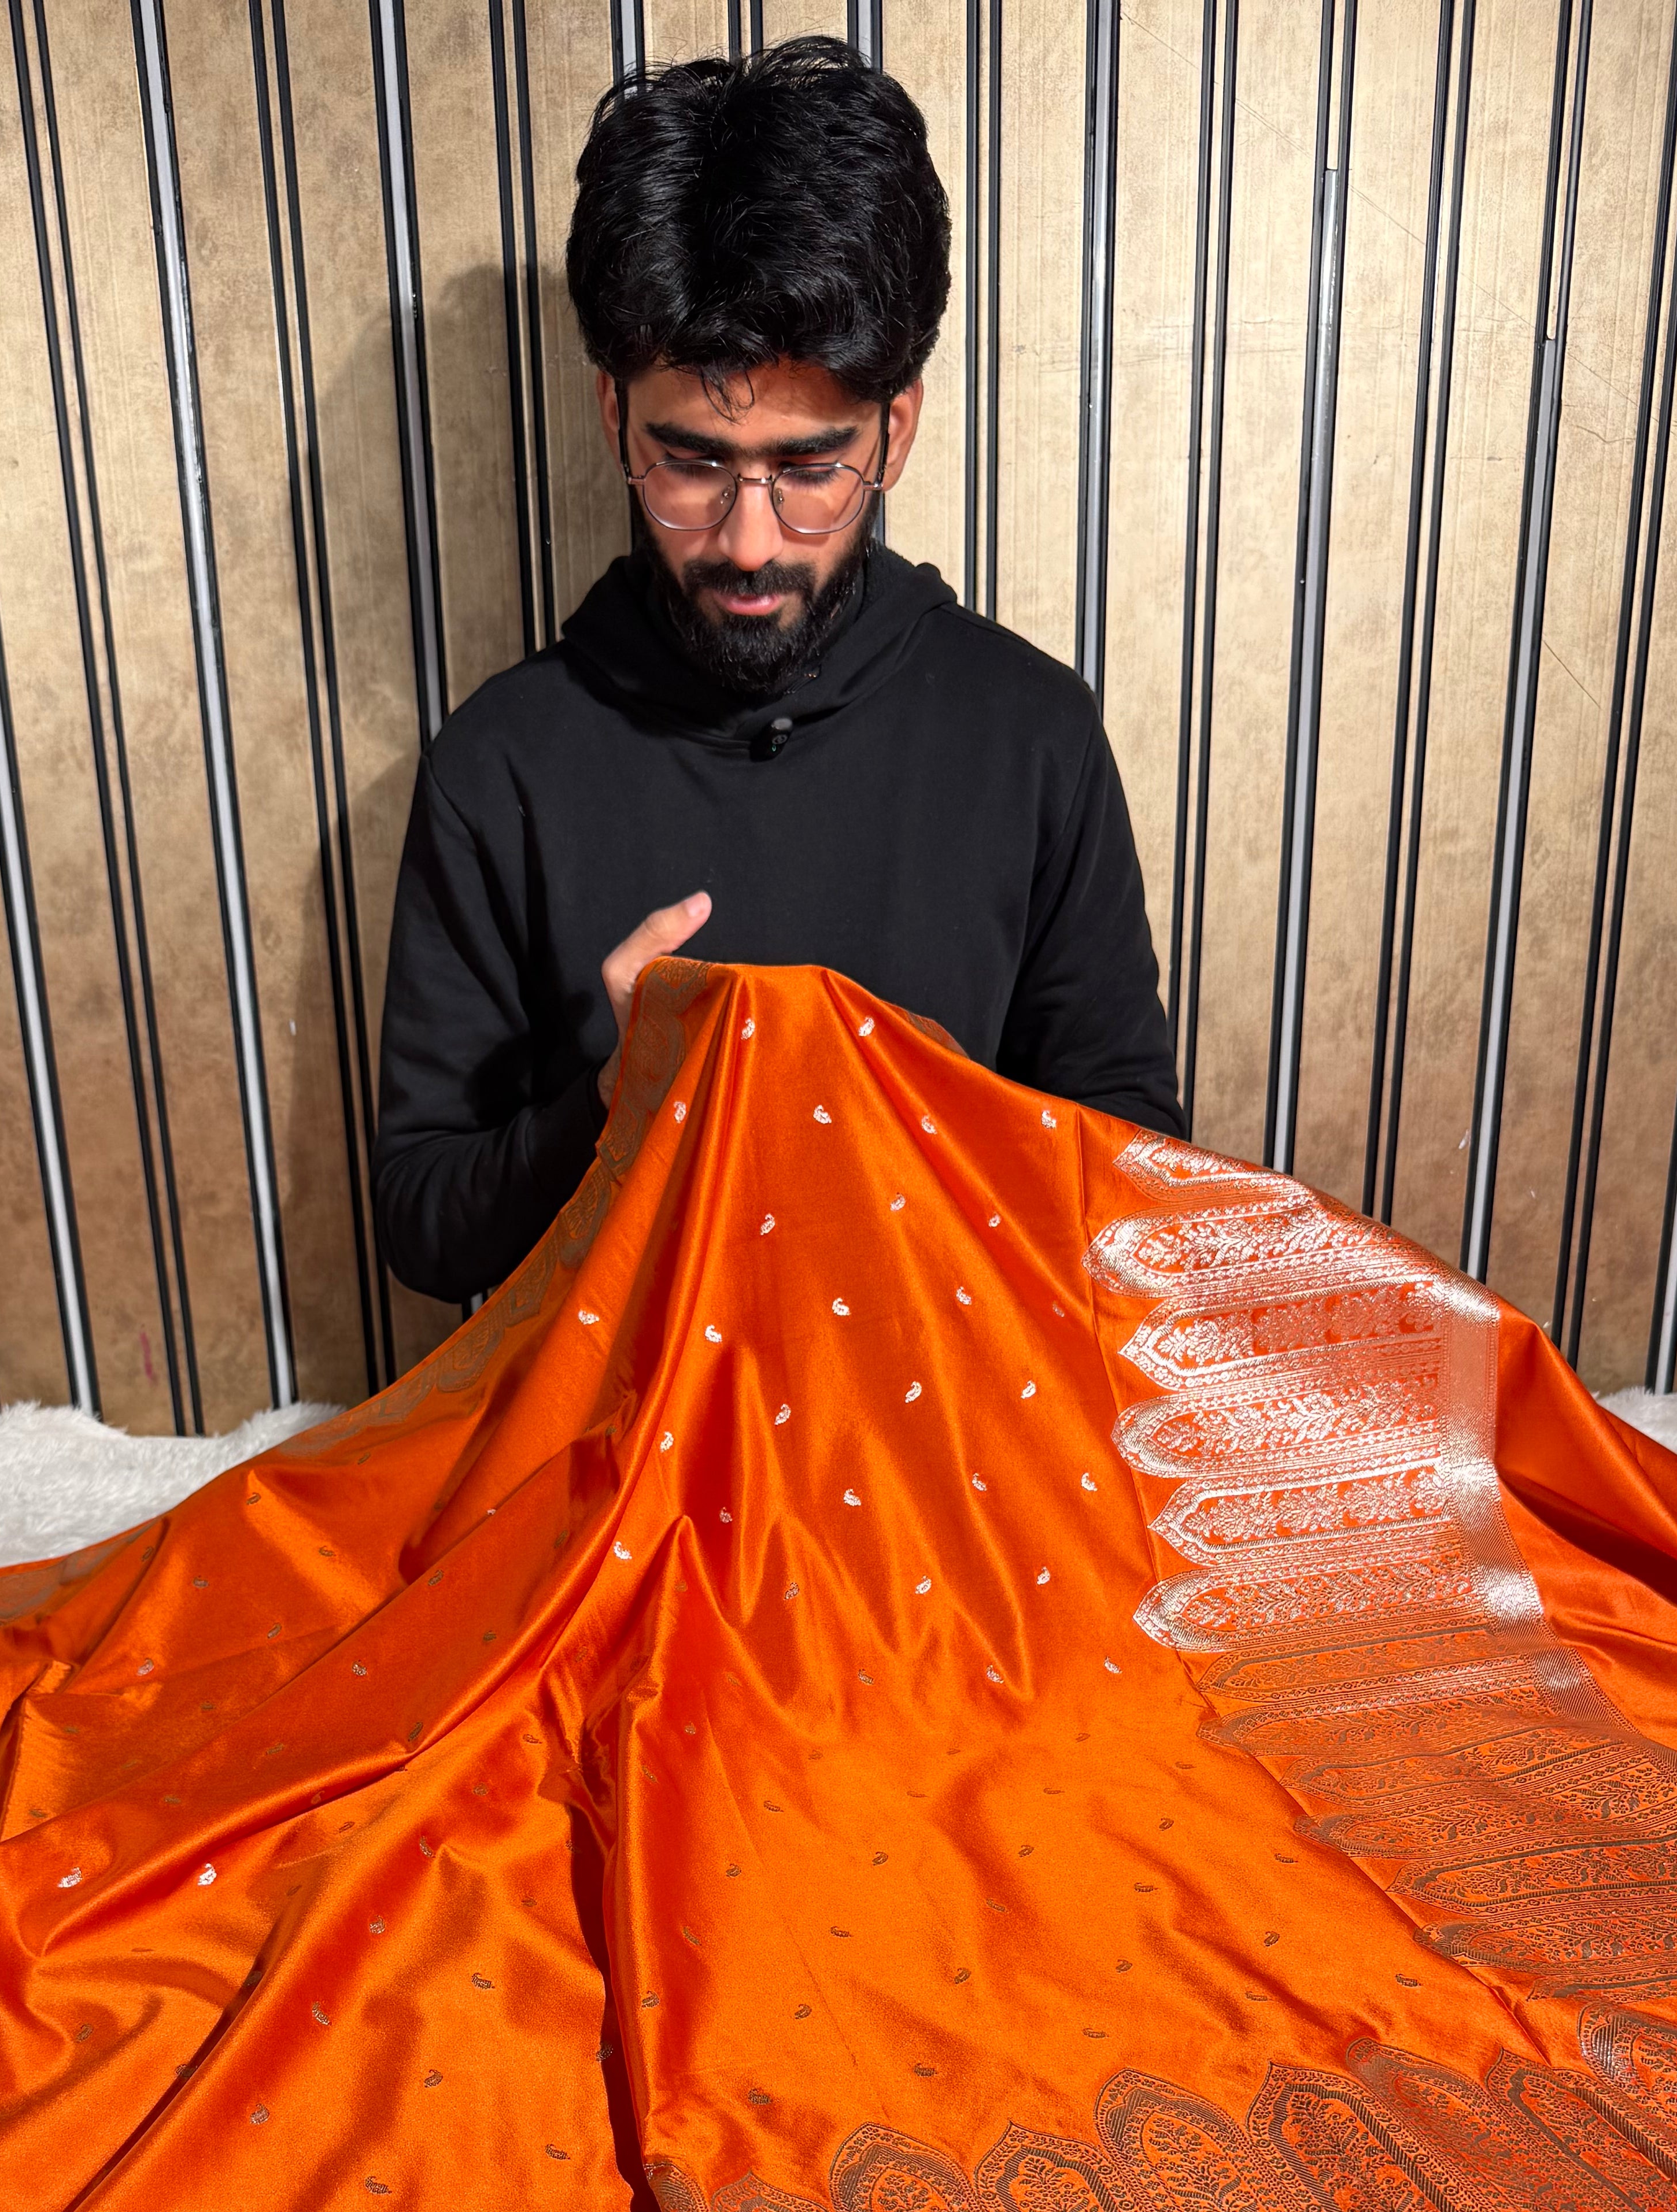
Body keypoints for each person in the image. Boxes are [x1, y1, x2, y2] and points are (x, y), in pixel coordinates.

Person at [371, 37, 1182, 1307]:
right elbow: (426, 1230)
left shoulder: (1030, 734)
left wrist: (929, 1119)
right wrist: (614, 1101)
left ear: (895, 430)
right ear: (612, 419)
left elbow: (1137, 1181)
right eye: (689, 462)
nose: (749, 542)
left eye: (810, 469)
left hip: (945, 1418)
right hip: (626, 1444)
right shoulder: (500, 767)